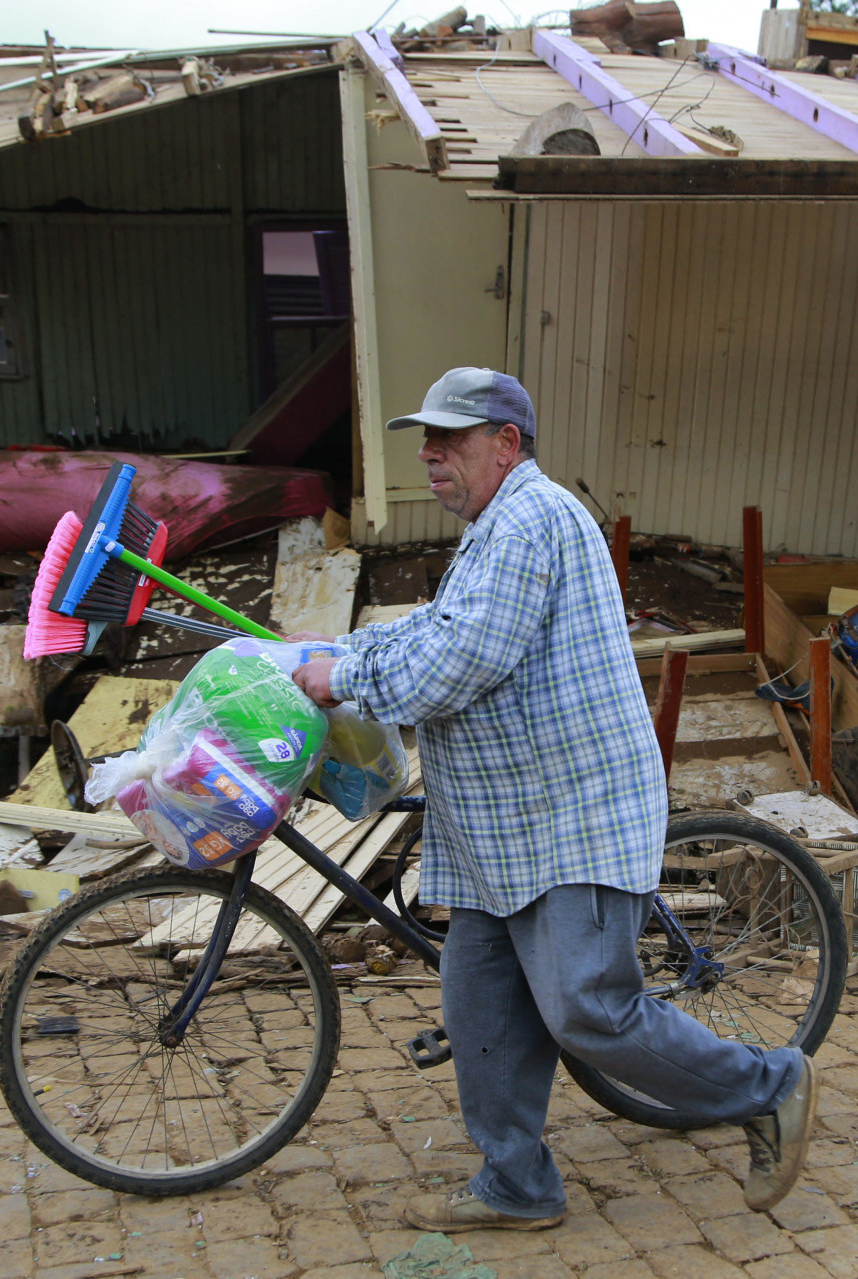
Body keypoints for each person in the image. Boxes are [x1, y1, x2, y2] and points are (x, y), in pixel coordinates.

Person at [289, 367, 819, 1233]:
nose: (429, 455)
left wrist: (344, 675)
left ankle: (771, 1086)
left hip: (571, 815)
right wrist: (338, 645)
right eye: (424, 439)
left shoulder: (533, 518)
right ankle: (517, 1182)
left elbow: (461, 661)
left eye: (449, 440)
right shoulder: (491, 530)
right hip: (503, 827)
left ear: (507, 444)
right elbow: (435, 629)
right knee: (481, 1001)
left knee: (585, 1005)